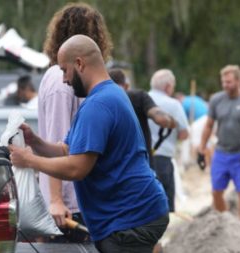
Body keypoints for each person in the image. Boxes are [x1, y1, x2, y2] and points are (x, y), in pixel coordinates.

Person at [9, 35, 169, 253]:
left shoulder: (99, 104)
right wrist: (35, 141)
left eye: (64, 70)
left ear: (79, 64)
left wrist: (29, 160)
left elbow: (77, 168)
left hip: (131, 218)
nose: (64, 79)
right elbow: (67, 150)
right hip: (134, 213)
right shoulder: (105, 96)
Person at [36, 2, 113, 242]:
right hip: (67, 208)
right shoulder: (62, 83)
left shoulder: (72, 80)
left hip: (76, 201)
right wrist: (57, 201)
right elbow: (57, 140)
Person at [198, 65, 240, 222]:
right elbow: (208, 125)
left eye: (229, 82)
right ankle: (225, 224)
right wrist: (202, 149)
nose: (225, 85)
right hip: (221, 153)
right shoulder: (216, 100)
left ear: (238, 80)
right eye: (223, 82)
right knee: (216, 192)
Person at [108, 68, 176, 167]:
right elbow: (161, 119)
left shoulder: (99, 102)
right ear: (126, 85)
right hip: (141, 167)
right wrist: (171, 121)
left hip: (113, 169)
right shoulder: (138, 97)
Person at [148, 69, 189, 213]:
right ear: (168, 86)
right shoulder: (173, 104)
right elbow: (184, 134)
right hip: (163, 158)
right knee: (165, 205)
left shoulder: (140, 99)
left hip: (141, 158)